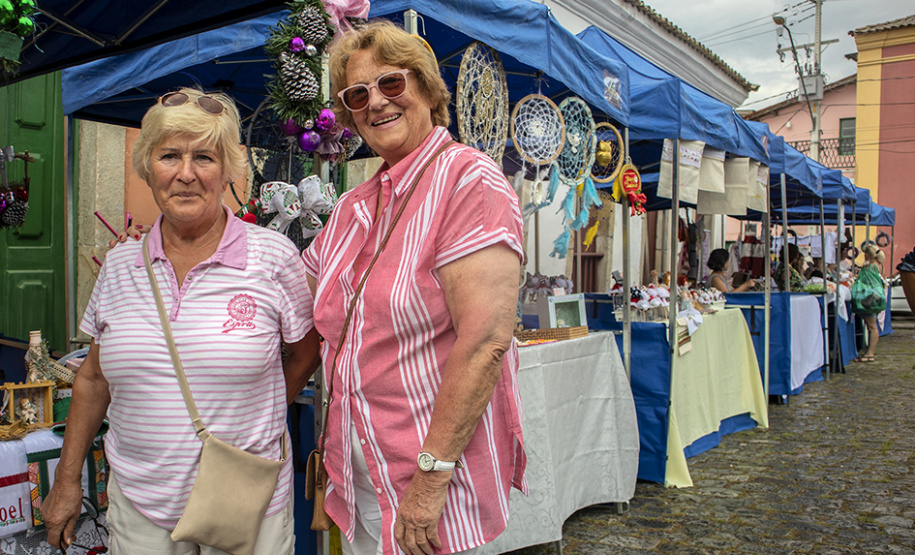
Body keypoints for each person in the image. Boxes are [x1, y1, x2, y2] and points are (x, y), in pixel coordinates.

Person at [42, 87, 321, 553]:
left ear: (228, 169)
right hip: (139, 504)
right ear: (148, 168)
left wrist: (262, 412)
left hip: (243, 500)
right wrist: (67, 481)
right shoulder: (120, 265)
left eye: (205, 158)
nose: (186, 174)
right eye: (170, 155)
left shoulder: (272, 257)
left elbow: (307, 350)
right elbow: (92, 378)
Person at [305, 21, 526, 555]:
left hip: (426, 484)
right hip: (361, 477)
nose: (376, 102)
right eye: (358, 94)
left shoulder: (468, 180)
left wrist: (430, 480)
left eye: (392, 84)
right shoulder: (354, 207)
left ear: (427, 89)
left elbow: (485, 343)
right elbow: (296, 292)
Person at [855, 242, 886, 362]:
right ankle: (869, 352)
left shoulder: (869, 266)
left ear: (867, 254)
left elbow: (864, 283)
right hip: (878, 297)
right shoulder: (880, 265)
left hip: (869, 298)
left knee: (872, 327)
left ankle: (870, 353)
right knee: (872, 326)